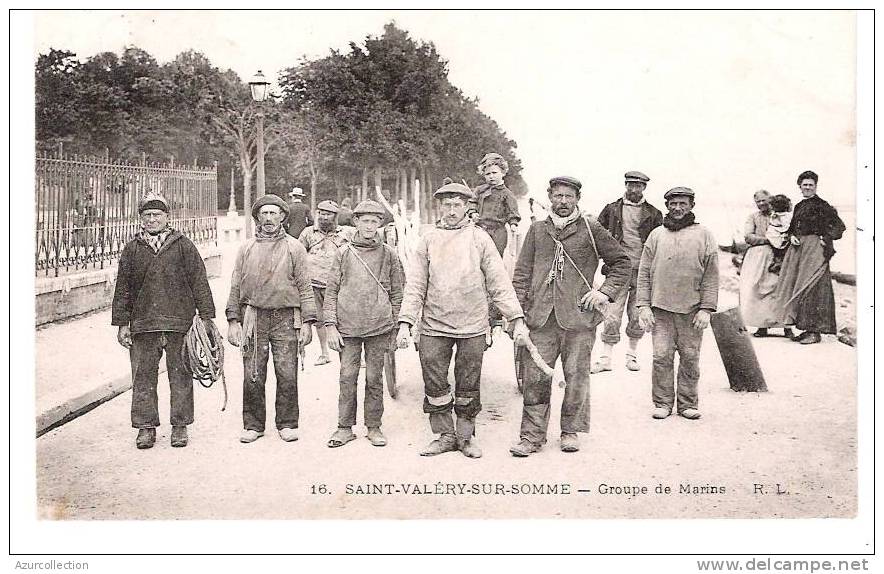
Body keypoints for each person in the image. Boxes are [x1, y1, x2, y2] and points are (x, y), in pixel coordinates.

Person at [396, 181, 529, 459]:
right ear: (440, 207)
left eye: (458, 205)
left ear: (468, 207)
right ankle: (445, 435)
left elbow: (498, 282)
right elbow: (416, 284)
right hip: (434, 324)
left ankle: (466, 437)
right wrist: (407, 322)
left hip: (472, 325)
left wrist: (515, 317)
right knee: (434, 381)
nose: (452, 210)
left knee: (468, 383)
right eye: (447, 205)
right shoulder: (429, 240)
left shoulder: (480, 239)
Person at [509, 176, 631, 457]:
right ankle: (531, 436)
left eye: (568, 196)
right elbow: (521, 274)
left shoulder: (591, 229)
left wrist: (605, 293)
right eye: (557, 196)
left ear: (578, 198)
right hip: (539, 319)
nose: (562, 202)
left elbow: (622, 263)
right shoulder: (538, 230)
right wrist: (517, 314)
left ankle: (570, 431)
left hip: (579, 319)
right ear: (549, 197)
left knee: (576, 377)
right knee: (535, 377)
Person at [111, 193, 215, 449]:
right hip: (143, 326)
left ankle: (180, 426)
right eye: (147, 215)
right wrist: (123, 324)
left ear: (167, 218)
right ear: (140, 219)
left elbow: (199, 281)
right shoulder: (132, 249)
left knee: (181, 376)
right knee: (143, 377)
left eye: (157, 215)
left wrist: (207, 317)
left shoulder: (183, 245)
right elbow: (122, 287)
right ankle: (145, 428)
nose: (152, 219)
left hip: (179, 323)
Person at [227, 194, 316, 444]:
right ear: (257, 217)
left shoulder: (294, 247)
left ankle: (287, 423)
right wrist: (233, 321)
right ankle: (253, 425)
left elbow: (305, 286)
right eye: (264, 213)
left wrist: (308, 322)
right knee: (252, 373)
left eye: (273, 213)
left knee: (287, 372)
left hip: (286, 318)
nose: (268, 218)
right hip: (254, 317)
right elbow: (235, 285)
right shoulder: (246, 248)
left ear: (282, 217)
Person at [323, 200, 405, 449]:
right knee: (347, 376)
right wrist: (330, 326)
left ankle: (374, 426)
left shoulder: (389, 254)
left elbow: (398, 293)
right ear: (355, 222)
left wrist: (397, 326)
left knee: (374, 378)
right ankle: (344, 427)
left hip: (379, 326)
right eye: (365, 220)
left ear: (380, 224)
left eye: (374, 221)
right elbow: (331, 291)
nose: (370, 226)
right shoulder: (343, 253)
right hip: (347, 328)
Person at [637, 187, 719, 421]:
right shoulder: (656, 235)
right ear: (667, 206)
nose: (678, 208)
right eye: (673, 204)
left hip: (692, 311)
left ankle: (687, 404)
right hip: (660, 310)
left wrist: (706, 308)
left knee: (690, 357)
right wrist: (643, 305)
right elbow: (643, 273)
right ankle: (662, 403)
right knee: (661, 356)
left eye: (683, 204)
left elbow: (711, 275)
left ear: (691, 206)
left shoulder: (704, 235)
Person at [593, 170, 663, 373]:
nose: (634, 189)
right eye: (630, 185)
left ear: (644, 188)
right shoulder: (611, 209)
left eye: (638, 185)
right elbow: (597, 235)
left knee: (637, 315)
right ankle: (605, 358)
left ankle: (631, 357)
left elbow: (661, 242)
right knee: (612, 314)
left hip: (644, 271)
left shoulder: (654, 213)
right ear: (625, 186)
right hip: (617, 269)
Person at [773, 171, 846, 345]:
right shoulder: (799, 206)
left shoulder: (823, 205)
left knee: (813, 286)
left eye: (810, 185)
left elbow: (839, 227)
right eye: (804, 184)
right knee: (797, 285)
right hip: (799, 250)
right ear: (800, 186)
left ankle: (815, 332)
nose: (807, 187)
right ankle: (805, 329)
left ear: (815, 186)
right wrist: (792, 236)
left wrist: (824, 238)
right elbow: (792, 228)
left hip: (814, 250)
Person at [298, 200, 355, 365]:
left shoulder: (346, 234)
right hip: (314, 284)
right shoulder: (308, 233)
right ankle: (324, 353)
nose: (324, 217)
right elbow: (299, 255)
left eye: (328, 214)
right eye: (321, 213)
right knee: (319, 320)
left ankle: (352, 354)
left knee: (345, 319)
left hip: (339, 285)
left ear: (335, 216)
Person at [739, 190, 793, 338]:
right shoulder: (753, 217)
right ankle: (762, 327)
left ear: (770, 199)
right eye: (758, 201)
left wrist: (780, 241)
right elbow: (749, 237)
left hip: (779, 256)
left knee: (780, 288)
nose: (762, 204)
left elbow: (789, 231)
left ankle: (786, 327)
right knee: (758, 289)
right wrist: (770, 239)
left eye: (764, 200)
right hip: (758, 257)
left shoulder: (780, 215)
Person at [765, 194, 793, 274]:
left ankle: (777, 262)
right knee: (782, 249)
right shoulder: (787, 216)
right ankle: (778, 263)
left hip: (776, 234)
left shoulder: (774, 215)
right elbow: (788, 226)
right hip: (780, 234)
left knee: (776, 249)